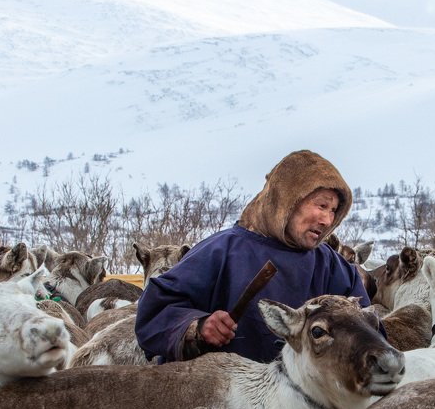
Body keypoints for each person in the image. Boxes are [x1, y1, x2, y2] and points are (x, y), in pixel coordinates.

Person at [136, 150, 374, 363]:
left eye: (333, 211)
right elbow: (156, 309)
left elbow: (370, 332)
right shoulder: (223, 250)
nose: (328, 220)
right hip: (219, 401)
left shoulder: (332, 266)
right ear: (287, 200)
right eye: (321, 206)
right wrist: (198, 327)